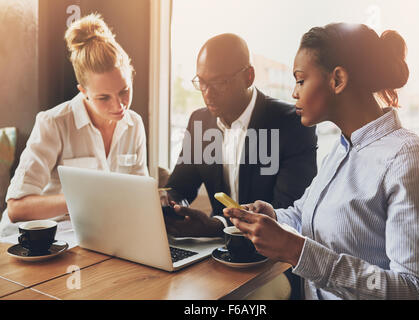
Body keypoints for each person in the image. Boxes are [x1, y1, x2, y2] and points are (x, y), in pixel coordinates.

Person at [225, 23, 419, 300]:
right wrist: (271, 217)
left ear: (338, 80)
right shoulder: (342, 149)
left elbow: (417, 292)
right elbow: (303, 216)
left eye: (300, 80)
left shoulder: (412, 161)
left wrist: (297, 251)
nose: (294, 93)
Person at [164, 33, 317, 299]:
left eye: (219, 82)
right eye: (201, 82)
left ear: (249, 76)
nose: (207, 93)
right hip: (216, 255)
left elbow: (286, 216)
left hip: (271, 264)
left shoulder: (290, 124)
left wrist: (214, 225)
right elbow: (179, 186)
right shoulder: (200, 121)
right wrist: (174, 208)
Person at [0, 14, 148, 237]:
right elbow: (16, 208)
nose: (119, 105)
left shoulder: (134, 124)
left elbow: (139, 195)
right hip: (34, 239)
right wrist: (86, 198)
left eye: (124, 91)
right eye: (104, 98)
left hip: (96, 235)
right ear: (84, 92)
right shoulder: (53, 123)